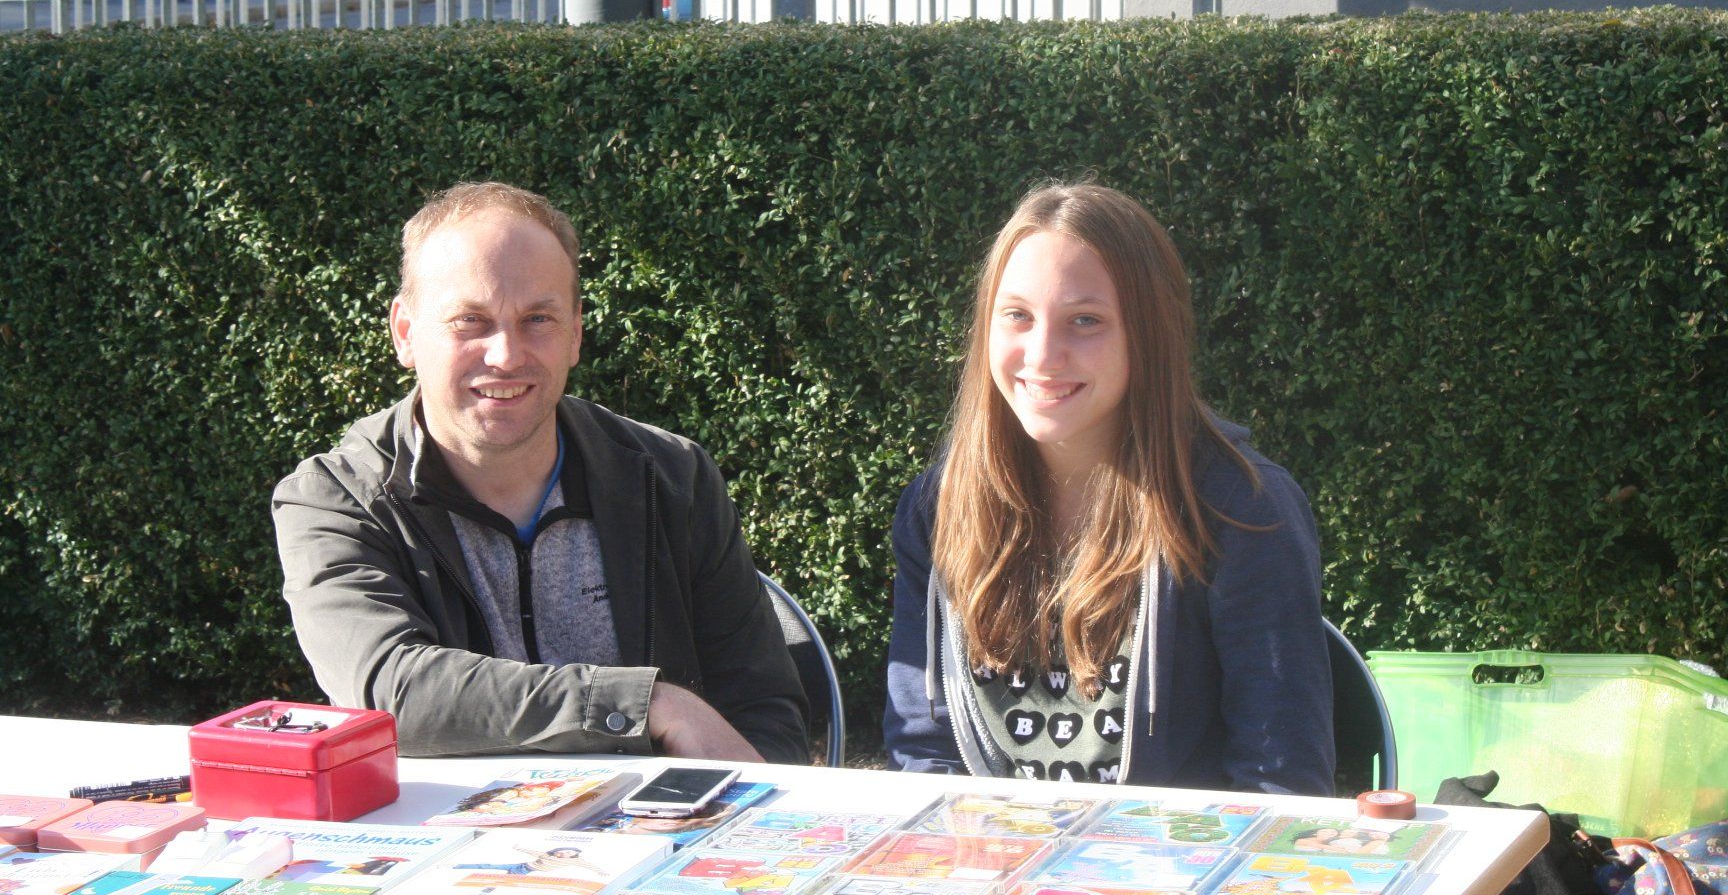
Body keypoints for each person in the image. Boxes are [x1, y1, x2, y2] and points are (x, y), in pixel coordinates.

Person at [272, 181, 807, 762]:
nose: (505, 355)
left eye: (538, 319)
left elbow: (763, 709)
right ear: (405, 333)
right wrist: (647, 704)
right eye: (470, 320)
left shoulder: (673, 478)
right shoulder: (337, 500)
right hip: (448, 820)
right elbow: (392, 692)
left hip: (660, 813)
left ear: (575, 333)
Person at [882, 182, 1333, 794]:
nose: (1043, 355)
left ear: (1148, 334)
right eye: (1017, 315)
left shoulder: (1241, 509)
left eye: (1085, 321)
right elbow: (923, 751)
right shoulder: (938, 507)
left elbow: (1280, 781)